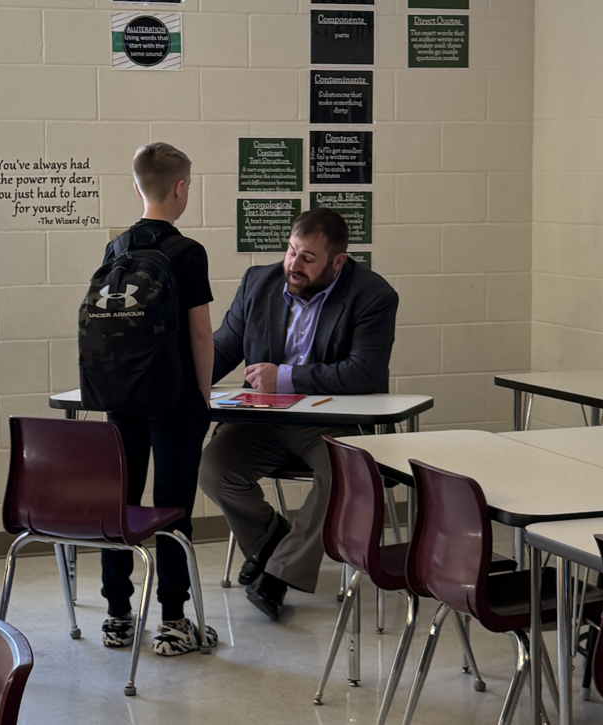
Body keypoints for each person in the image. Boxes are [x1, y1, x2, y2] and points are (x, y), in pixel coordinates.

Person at [199, 208, 398, 621]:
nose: (293, 264)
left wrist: (285, 377)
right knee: (213, 468)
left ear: (337, 261)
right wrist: (182, 380)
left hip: (330, 421)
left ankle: (277, 575)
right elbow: (223, 348)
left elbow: (365, 373)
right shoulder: (259, 281)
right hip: (265, 420)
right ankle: (276, 543)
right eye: (291, 252)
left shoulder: (373, 295)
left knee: (341, 474)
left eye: (308, 258)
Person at [98, 142, 217, 655]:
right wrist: (204, 395)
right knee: (173, 509)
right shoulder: (188, 252)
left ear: (136, 185)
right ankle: (173, 621)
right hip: (173, 399)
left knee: (121, 505)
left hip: (121, 394)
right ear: (181, 187)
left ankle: (118, 617)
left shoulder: (116, 248)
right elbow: (201, 334)